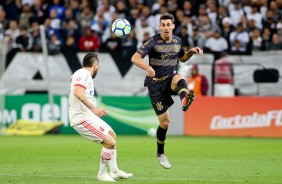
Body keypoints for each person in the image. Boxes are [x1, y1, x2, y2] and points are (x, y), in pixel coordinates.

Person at [131, 13, 203, 169]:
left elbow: (182, 58)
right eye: (163, 25)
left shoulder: (177, 41)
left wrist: (190, 52)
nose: (165, 28)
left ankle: (184, 99)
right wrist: (148, 67)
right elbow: (135, 58)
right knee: (165, 123)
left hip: (170, 81)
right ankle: (160, 153)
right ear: (160, 26)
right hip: (155, 85)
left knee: (178, 76)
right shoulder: (153, 42)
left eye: (168, 25)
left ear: (173, 26)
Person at [68, 52, 133, 182]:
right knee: (109, 142)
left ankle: (114, 171)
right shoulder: (84, 74)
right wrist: (94, 109)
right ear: (96, 65)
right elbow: (78, 92)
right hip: (81, 118)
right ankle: (102, 174)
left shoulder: (81, 74)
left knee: (112, 135)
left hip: (88, 115)